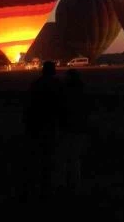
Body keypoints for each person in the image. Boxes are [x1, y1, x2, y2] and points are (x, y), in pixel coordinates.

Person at [23, 61, 64, 200]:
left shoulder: (36, 84)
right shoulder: (58, 85)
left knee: (39, 156)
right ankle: (51, 186)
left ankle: (38, 186)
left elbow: (29, 105)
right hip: (52, 125)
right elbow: (61, 106)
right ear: (53, 71)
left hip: (38, 125)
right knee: (52, 156)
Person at [57, 68, 91, 195]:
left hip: (67, 128)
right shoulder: (83, 91)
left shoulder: (64, 92)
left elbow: (61, 108)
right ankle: (75, 184)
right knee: (75, 158)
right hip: (79, 127)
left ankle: (63, 183)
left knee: (63, 156)